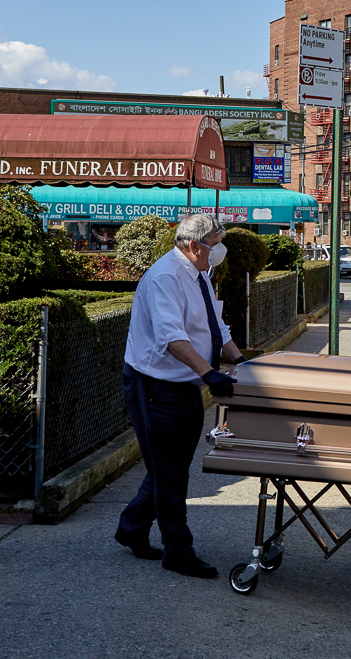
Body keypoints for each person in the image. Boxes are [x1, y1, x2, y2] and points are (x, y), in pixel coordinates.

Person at [114, 213, 244, 578]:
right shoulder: (165, 278)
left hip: (181, 382)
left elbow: (215, 324)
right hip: (155, 385)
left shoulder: (199, 272)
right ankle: (178, 551)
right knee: (170, 472)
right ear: (193, 246)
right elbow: (171, 338)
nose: (219, 252)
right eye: (214, 245)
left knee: (168, 468)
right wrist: (209, 373)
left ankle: (131, 527)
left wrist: (240, 361)